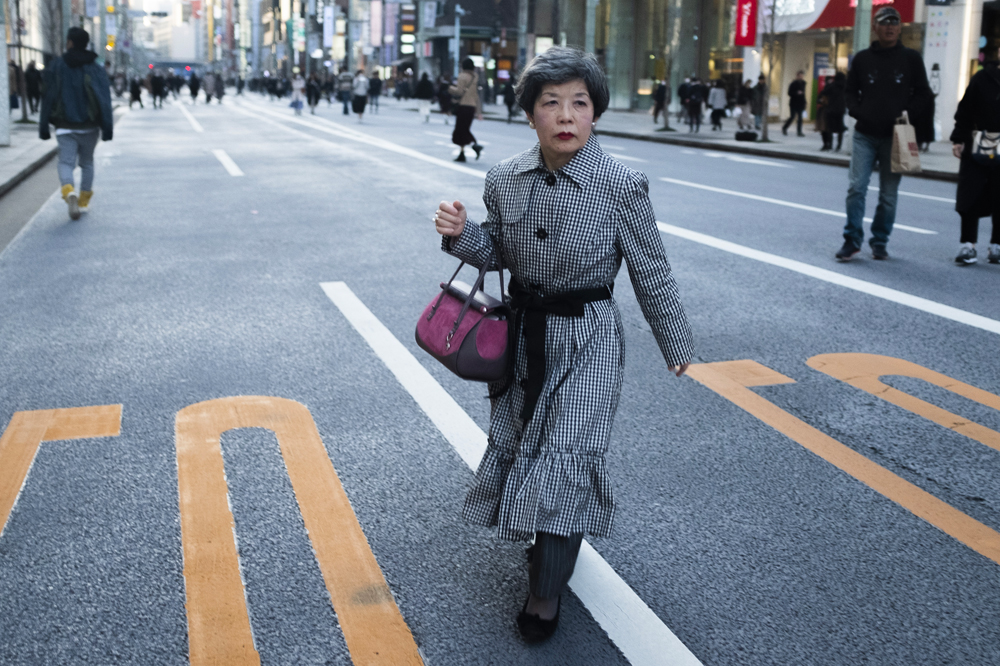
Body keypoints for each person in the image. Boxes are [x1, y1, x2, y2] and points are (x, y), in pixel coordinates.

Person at [432, 46, 693, 644]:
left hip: (589, 338)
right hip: (525, 340)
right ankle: (542, 541)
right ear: (531, 115)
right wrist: (461, 235)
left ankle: (545, 592)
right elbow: (499, 253)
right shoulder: (505, 178)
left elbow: (650, 268)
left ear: (595, 113)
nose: (567, 114)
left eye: (580, 102)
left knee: (566, 459)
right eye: (551, 103)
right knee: (527, 442)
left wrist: (674, 340)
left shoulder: (621, 185)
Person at [835, 6, 932, 261]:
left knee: (889, 195)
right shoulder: (862, 59)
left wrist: (907, 113)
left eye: (894, 22)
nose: (890, 27)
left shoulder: (911, 58)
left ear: (900, 28)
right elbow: (849, 92)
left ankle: (880, 240)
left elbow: (924, 93)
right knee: (857, 187)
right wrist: (858, 111)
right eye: (884, 22)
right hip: (864, 134)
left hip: (898, 135)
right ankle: (852, 239)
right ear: (875, 27)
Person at [38, 27, 113, 221]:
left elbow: (48, 96)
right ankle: (84, 200)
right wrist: (107, 128)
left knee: (65, 162)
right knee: (87, 163)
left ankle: (68, 190)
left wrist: (44, 126)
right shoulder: (96, 68)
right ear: (86, 43)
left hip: (64, 125)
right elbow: (104, 98)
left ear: (70, 42)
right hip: (89, 126)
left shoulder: (56, 66)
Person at [950, 51, 1000, 266]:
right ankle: (968, 244)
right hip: (976, 142)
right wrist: (958, 139)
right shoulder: (982, 78)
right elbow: (965, 109)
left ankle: (997, 245)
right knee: (970, 194)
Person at [449, 59, 484, 161]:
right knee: (464, 129)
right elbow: (476, 95)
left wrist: (450, 88)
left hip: (463, 106)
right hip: (472, 107)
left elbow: (459, 92)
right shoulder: (475, 77)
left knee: (460, 130)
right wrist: (479, 112)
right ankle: (462, 153)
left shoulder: (462, 76)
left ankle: (475, 146)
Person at [819, 72, 846, 152]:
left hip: (831, 109)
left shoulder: (832, 86)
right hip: (841, 110)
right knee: (840, 128)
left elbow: (822, 93)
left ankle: (830, 145)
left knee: (830, 128)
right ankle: (838, 146)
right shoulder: (845, 86)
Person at [782, 70, 807, 136]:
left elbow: (804, 94)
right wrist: (796, 93)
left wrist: (805, 102)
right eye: (800, 76)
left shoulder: (803, 83)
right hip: (793, 103)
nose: (801, 77)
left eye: (802, 76)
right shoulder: (793, 84)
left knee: (800, 118)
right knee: (792, 117)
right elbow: (789, 93)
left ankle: (799, 131)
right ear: (797, 76)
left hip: (800, 103)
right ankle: (784, 127)